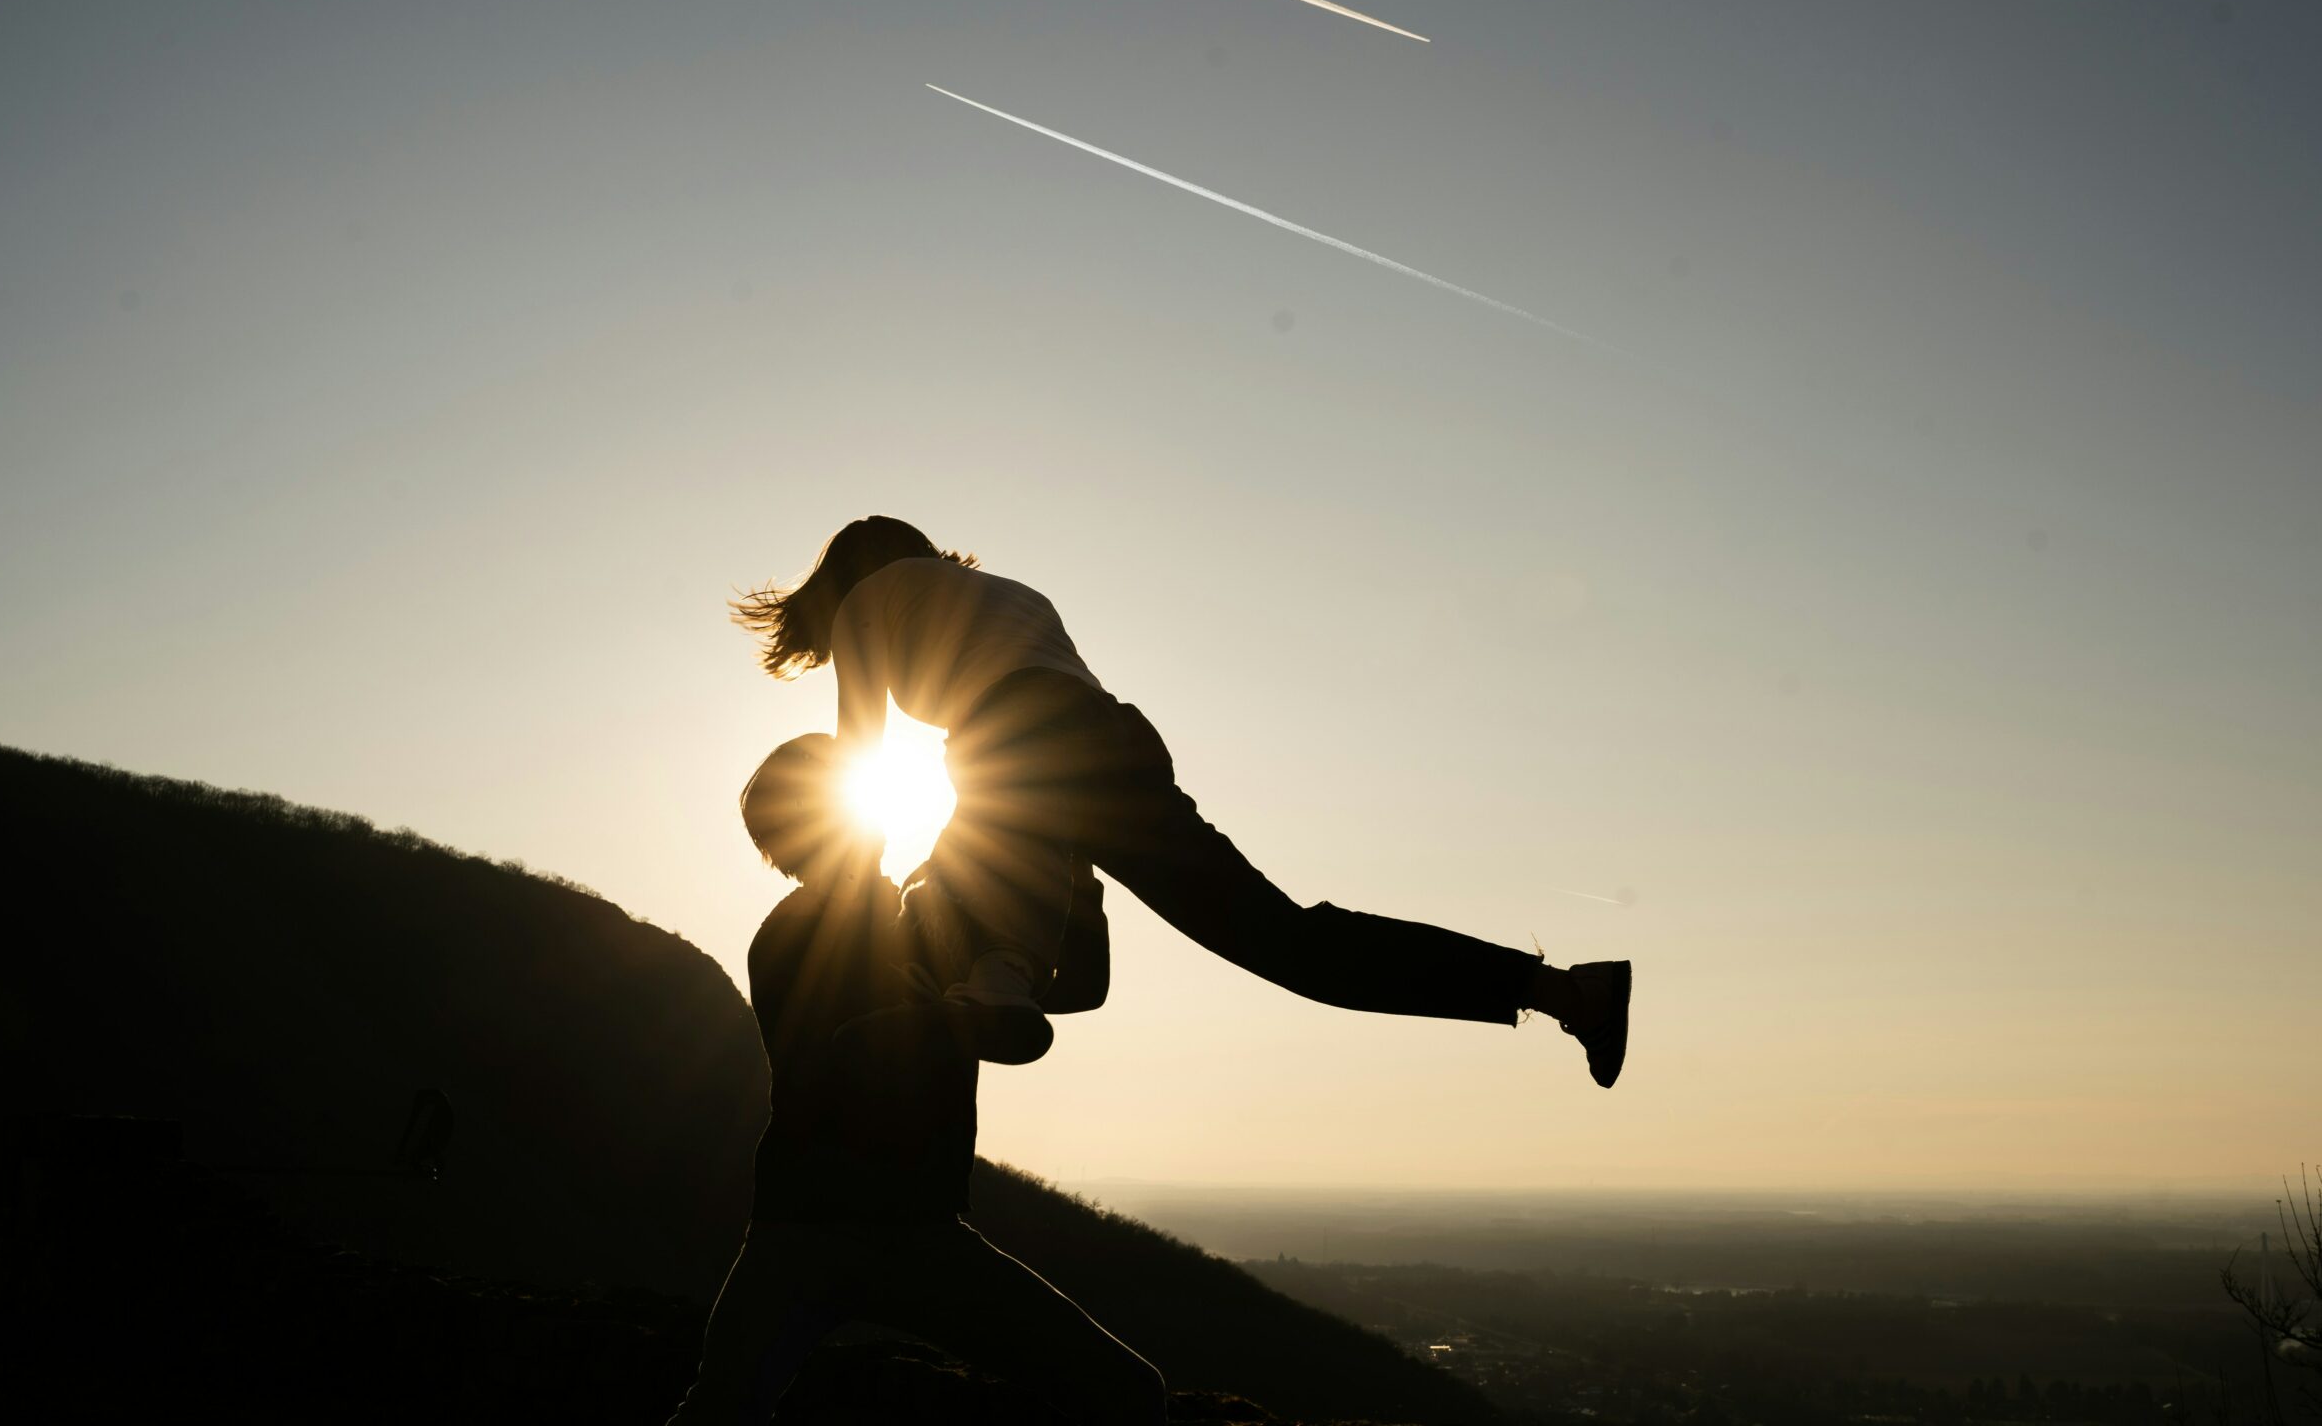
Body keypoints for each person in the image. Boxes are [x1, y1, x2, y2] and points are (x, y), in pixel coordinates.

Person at [732, 516, 1633, 1085]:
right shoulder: (1006, 593)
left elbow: (860, 758)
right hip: (1113, 747)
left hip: (1025, 745)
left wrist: (862, 888)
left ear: (845, 577)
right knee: (1294, 944)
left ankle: (1001, 978)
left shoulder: (867, 602)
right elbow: (1051, 757)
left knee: (977, 840)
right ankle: (1563, 992)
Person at [666, 734, 1159, 1426]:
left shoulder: (928, 916)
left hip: (914, 1227)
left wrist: (1075, 878)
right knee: (721, 1412)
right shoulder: (791, 936)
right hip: (810, 1227)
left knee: (1127, 1393)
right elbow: (843, 1054)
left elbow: (1078, 987)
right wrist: (961, 1017)